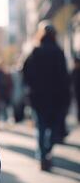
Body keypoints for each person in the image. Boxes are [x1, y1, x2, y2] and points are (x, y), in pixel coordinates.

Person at [23, 21, 71, 171]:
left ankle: (43, 156)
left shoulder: (35, 51)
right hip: (56, 98)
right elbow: (64, 77)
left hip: (38, 98)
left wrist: (32, 88)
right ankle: (47, 151)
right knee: (53, 127)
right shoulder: (59, 52)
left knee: (41, 127)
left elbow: (25, 73)